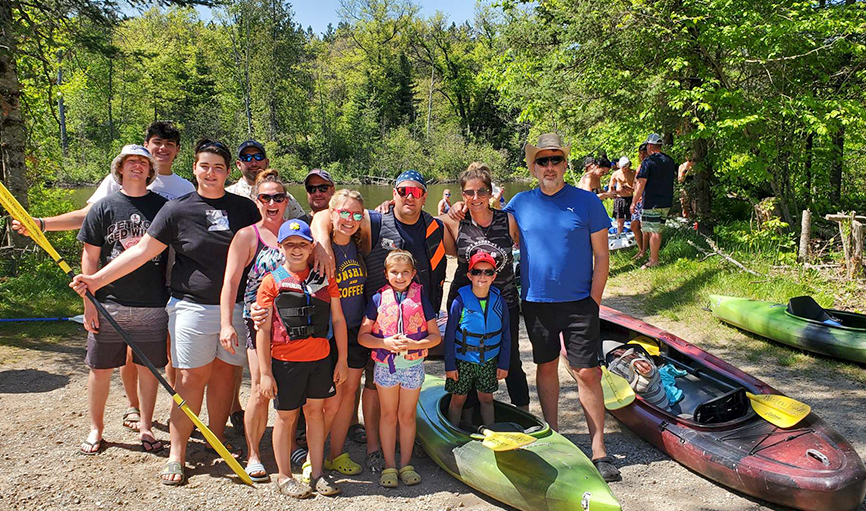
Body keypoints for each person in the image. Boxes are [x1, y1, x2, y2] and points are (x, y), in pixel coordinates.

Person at [71, 139, 260, 485]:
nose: (211, 173)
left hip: (234, 308)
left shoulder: (245, 209)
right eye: (204, 166)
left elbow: (271, 243)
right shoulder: (176, 209)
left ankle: (215, 439)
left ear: (228, 171)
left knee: (223, 378)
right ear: (194, 168)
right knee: (189, 380)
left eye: (219, 167)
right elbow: (142, 251)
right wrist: (96, 280)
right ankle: (177, 452)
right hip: (191, 306)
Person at [14, 121, 193, 428]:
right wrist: (42, 224)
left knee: (167, 352)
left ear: (176, 152)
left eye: (169, 144)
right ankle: (133, 407)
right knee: (126, 354)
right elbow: (89, 221)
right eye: (156, 142)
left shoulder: (184, 189)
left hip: (163, 288)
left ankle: (171, 413)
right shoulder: (114, 187)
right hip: (114, 293)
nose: (162, 148)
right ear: (143, 149)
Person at [505, 133, 618, 481]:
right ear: (533, 167)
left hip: (580, 303)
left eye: (556, 160)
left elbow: (602, 256)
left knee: (587, 372)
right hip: (537, 302)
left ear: (566, 164)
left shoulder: (587, 202)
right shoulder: (519, 204)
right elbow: (508, 237)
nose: (550, 166)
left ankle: (599, 449)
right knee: (546, 366)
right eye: (543, 161)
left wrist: (594, 301)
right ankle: (554, 437)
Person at [75, 145, 168, 456]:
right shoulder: (103, 207)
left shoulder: (164, 207)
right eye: (131, 162)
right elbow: (90, 256)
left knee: (149, 368)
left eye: (143, 162)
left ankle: (145, 425)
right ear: (120, 168)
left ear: (151, 170)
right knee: (100, 369)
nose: (137, 167)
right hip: (108, 302)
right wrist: (90, 302)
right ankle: (96, 428)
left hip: (153, 303)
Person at [219, 169, 307, 482]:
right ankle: (254, 452)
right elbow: (230, 281)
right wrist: (225, 323)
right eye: (266, 197)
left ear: (287, 201)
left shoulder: (298, 233)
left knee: (292, 387)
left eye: (278, 197)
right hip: (258, 321)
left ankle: (292, 442)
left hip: (295, 324)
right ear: (257, 201)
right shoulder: (247, 235)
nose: (272, 202)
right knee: (259, 388)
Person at [256, 219, 347, 498]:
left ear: (311, 248)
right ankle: (284, 476)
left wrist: (341, 359)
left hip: (320, 360)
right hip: (285, 362)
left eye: (302, 245)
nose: (296, 250)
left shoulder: (325, 279)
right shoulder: (271, 282)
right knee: (285, 417)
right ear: (281, 247)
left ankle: (317, 472)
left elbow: (338, 319)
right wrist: (265, 373)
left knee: (315, 415)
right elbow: (264, 329)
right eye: (290, 245)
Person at [439, 162, 529, 410]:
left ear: (491, 193)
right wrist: (387, 207)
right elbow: (425, 219)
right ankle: (467, 415)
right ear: (462, 195)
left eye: (481, 191)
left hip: (504, 303)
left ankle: (524, 412)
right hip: (465, 302)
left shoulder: (507, 219)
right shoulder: (456, 222)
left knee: (510, 358)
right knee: (465, 356)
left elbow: (532, 246)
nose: (475, 197)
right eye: (469, 193)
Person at [311, 170, 454, 313]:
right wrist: (322, 245)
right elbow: (324, 216)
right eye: (403, 191)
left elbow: (462, 246)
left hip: (424, 318)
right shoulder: (374, 221)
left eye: (416, 192)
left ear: (424, 198)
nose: (409, 197)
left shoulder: (437, 228)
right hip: (380, 322)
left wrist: (461, 206)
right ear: (394, 194)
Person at [358, 250, 441, 488]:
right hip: (386, 368)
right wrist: (384, 343)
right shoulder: (376, 300)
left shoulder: (421, 298)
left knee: (406, 416)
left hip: (413, 367)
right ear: (386, 274)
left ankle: (406, 464)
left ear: (414, 274)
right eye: (394, 272)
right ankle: (389, 465)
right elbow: (364, 336)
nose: (400, 276)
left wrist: (417, 344)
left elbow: (435, 336)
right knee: (388, 415)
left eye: (405, 272)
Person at [321, 189, 381, 476]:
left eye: (357, 215)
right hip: (328, 333)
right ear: (332, 213)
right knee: (328, 399)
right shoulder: (320, 247)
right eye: (344, 212)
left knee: (348, 393)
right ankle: (315, 454)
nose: (350, 219)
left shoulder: (359, 244)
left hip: (356, 329)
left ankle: (336, 454)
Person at [444, 252, 510, 426]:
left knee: (487, 399)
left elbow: (506, 335)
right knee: (458, 399)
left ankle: (491, 434)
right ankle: (452, 435)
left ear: (494, 276)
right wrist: (450, 366)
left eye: (488, 272)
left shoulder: (499, 302)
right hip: (462, 361)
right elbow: (450, 335)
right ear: (469, 275)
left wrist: (503, 364)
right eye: (477, 272)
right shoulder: (460, 302)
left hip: (488, 361)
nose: (482, 276)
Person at [226, 140, 305, 220]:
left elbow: (303, 224)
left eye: (258, 157)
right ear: (239, 165)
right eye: (247, 158)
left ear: (267, 162)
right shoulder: (227, 196)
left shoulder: (283, 197)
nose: (254, 163)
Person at [631, 133, 676, 269]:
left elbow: (641, 183)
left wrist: (633, 202)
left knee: (653, 230)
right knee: (657, 230)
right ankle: (653, 256)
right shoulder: (670, 160)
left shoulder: (648, 162)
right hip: (666, 201)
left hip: (652, 201)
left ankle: (654, 260)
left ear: (650, 146)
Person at [609, 156, 636, 237]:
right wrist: (615, 192)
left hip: (630, 197)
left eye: (626, 168)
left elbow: (638, 187)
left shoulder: (633, 173)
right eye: (623, 168)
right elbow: (611, 186)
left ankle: (634, 233)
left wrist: (630, 188)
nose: (625, 170)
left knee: (632, 218)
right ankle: (619, 233)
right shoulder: (616, 174)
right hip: (619, 198)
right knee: (619, 218)